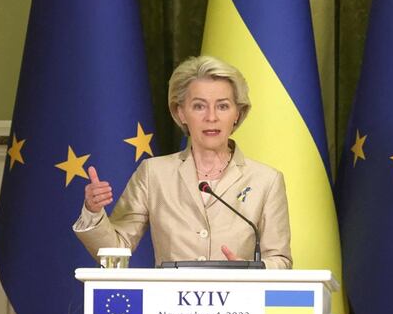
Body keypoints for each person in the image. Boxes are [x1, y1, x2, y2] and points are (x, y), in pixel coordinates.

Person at [74, 55, 292, 269]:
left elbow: (280, 259)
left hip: (240, 303)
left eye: (223, 106)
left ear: (238, 113)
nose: (211, 117)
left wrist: (250, 270)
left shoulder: (266, 180)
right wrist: (93, 212)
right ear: (181, 113)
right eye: (199, 106)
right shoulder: (154, 173)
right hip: (168, 303)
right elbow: (116, 250)